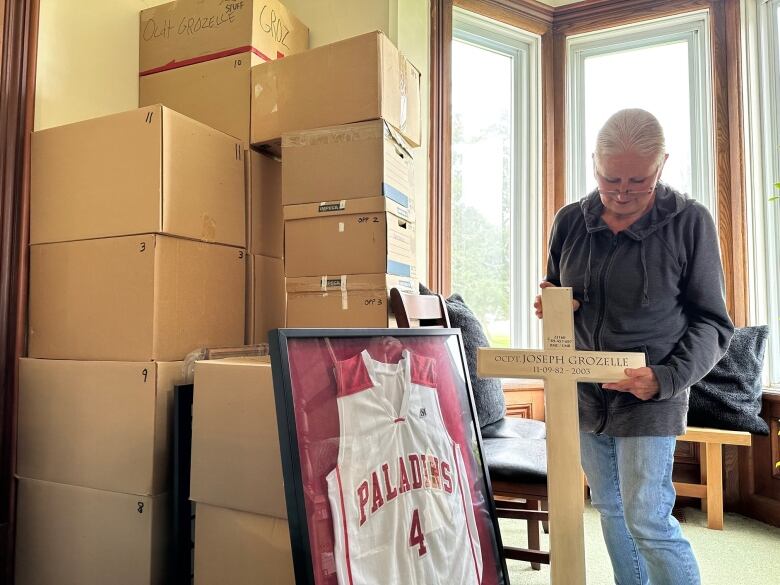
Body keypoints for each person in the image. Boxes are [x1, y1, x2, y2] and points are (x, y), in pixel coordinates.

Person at [534, 108, 733, 585]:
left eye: (638, 181)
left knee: (646, 519)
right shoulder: (569, 222)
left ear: (662, 165)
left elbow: (714, 324)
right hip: (583, 397)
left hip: (652, 396)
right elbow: (555, 284)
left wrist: (665, 378)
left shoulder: (690, 222)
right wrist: (552, 302)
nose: (621, 193)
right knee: (610, 510)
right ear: (594, 164)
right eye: (610, 179)